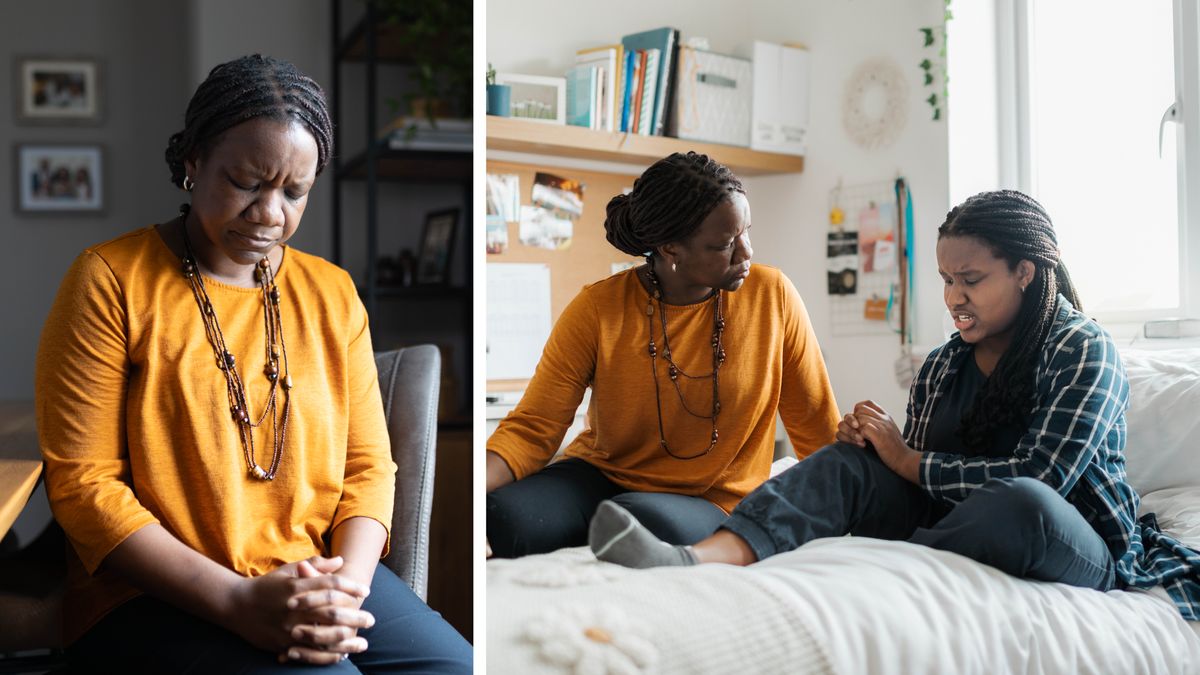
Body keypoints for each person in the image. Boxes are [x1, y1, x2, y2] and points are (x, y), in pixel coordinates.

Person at [36, 54, 473, 672]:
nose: (271, 213)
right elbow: (85, 489)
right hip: (152, 592)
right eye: (247, 182)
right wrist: (239, 601)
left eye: (295, 192)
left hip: (318, 568)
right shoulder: (109, 280)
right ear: (193, 164)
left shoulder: (332, 292)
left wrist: (343, 592)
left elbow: (370, 466)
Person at [588, 189, 1200, 622]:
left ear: (1025, 272)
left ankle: (883, 566)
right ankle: (697, 558)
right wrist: (874, 448)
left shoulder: (1083, 348)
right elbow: (920, 476)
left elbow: (1045, 475)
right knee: (843, 464)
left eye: (971, 279)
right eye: (945, 279)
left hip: (1077, 537)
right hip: (954, 523)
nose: (954, 297)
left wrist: (907, 463)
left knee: (1025, 503)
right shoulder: (944, 362)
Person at [486, 151, 840, 558]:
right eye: (725, 244)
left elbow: (818, 431)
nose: (746, 253)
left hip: (711, 499)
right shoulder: (598, 308)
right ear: (671, 248)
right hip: (598, 477)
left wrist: (851, 510)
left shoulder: (773, 296)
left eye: (746, 233)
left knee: (635, 518)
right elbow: (533, 427)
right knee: (500, 517)